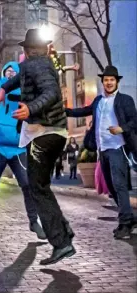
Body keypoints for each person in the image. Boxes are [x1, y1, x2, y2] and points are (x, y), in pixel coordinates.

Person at [0, 29, 75, 265]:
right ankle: (64, 233)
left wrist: (30, 109)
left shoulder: (36, 65)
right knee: (41, 186)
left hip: (44, 134)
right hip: (53, 134)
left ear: (26, 51)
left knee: (37, 188)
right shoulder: (39, 64)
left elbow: (50, 93)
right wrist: (3, 90)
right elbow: (18, 80)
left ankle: (61, 243)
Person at [0, 43, 46, 242]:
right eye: (8, 71)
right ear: (4, 74)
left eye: (15, 72)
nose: (11, 74)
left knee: (27, 185)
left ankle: (33, 222)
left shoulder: (25, 93)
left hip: (17, 148)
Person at [65, 65, 137, 239]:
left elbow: (134, 120)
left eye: (112, 80)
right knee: (112, 188)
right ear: (103, 82)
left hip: (117, 148)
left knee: (119, 186)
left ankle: (125, 223)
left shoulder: (125, 100)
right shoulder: (98, 101)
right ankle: (128, 217)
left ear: (117, 82)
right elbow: (83, 111)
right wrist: (64, 111)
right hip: (102, 150)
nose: (109, 82)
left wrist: (121, 128)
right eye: (106, 80)